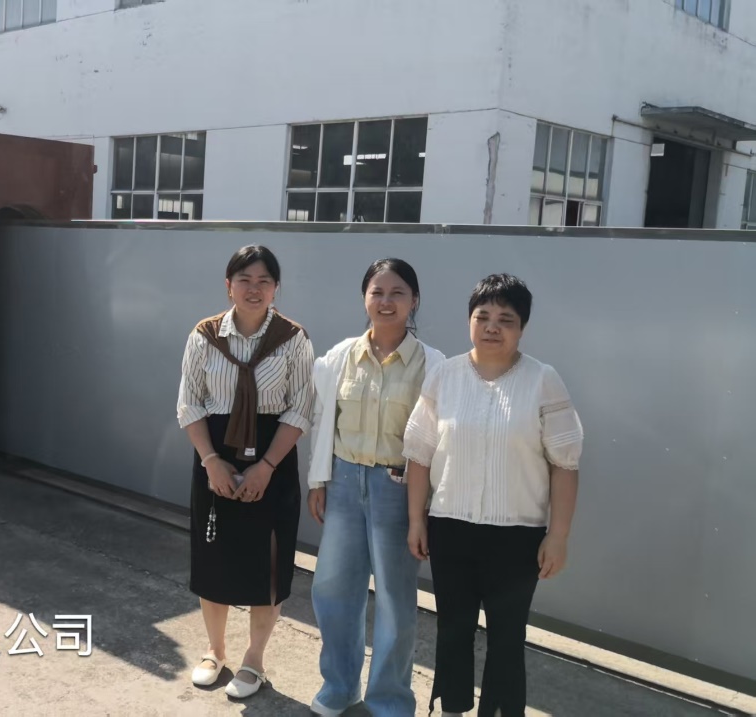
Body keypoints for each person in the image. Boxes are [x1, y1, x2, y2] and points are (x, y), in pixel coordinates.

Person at [402, 273, 583, 717]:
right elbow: (419, 454)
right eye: (483, 316)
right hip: (451, 527)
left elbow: (565, 464)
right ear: (470, 321)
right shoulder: (444, 376)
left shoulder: (543, 380)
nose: (492, 327)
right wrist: (417, 520)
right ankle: (452, 709)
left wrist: (558, 536)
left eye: (506, 319)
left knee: (507, 635)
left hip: (517, 535)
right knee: (453, 627)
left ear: (522, 327)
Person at [307, 258, 446, 717]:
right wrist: (318, 480)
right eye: (377, 292)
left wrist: (422, 510)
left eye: (397, 293)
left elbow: (436, 442)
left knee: (394, 599)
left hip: (397, 488)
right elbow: (323, 422)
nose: (386, 301)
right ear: (364, 298)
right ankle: (339, 687)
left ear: (414, 301)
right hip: (345, 482)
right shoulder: (340, 356)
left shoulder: (433, 365)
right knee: (333, 589)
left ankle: (389, 700)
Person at [176, 244, 315, 699]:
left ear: (276, 288)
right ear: (228, 285)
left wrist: (266, 467)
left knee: (267, 564)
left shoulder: (293, 339)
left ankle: (254, 659)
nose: (254, 289)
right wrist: (210, 461)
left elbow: (300, 408)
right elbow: (190, 403)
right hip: (214, 454)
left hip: (273, 457)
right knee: (213, 555)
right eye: (244, 280)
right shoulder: (204, 335)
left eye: (263, 281)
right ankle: (214, 651)